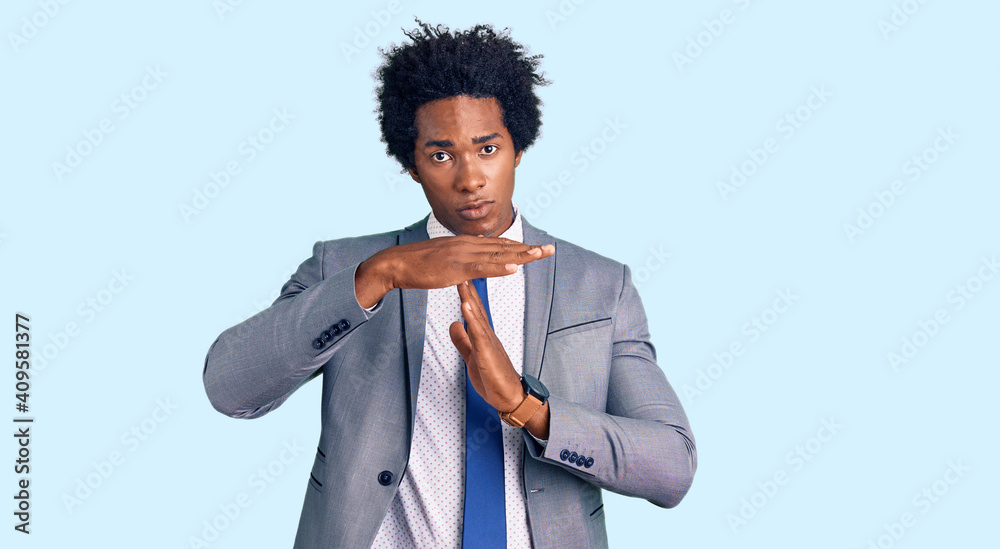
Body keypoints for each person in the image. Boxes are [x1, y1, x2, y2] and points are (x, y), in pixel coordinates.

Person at [203, 20, 696, 549]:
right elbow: (230, 389)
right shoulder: (345, 268)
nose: (470, 178)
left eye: (488, 149)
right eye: (441, 155)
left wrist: (528, 409)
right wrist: (379, 275)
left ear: (518, 148)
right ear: (412, 166)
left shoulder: (598, 286)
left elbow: (671, 467)